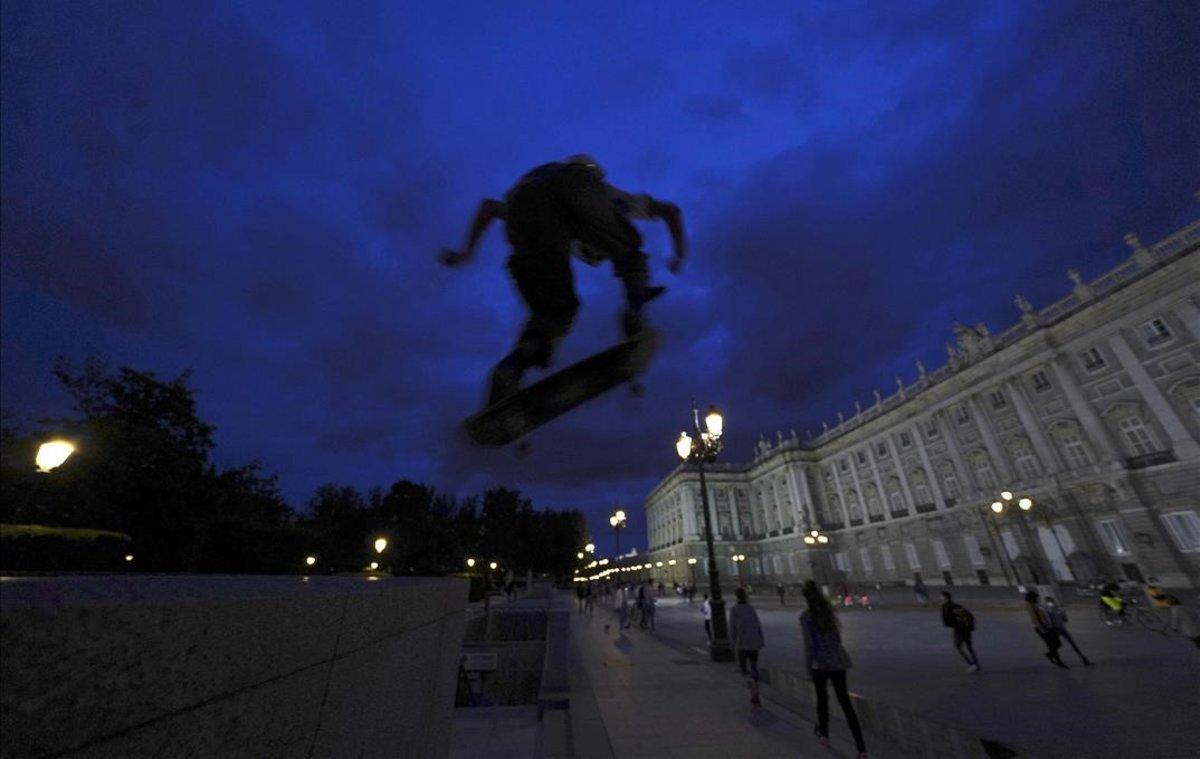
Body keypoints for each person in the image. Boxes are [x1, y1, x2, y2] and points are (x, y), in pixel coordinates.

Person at [440, 155, 686, 407]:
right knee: (629, 251)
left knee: (555, 312)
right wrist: (680, 252)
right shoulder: (602, 192)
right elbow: (671, 211)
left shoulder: (546, 201)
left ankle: (510, 369)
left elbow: (489, 207)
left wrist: (466, 253)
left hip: (521, 204)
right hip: (577, 186)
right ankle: (635, 315)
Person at [800, 580, 867, 758]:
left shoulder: (806, 617)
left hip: (820, 664)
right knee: (845, 703)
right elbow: (837, 638)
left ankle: (825, 736)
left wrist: (808, 669)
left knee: (822, 701)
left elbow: (809, 647)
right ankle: (861, 748)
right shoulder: (829, 612)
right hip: (838, 661)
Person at [729, 588, 765, 706]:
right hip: (754, 643)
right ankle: (757, 691)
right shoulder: (751, 609)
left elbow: (732, 629)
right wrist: (761, 640)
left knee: (744, 670)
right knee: (754, 667)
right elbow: (757, 625)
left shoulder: (734, 610)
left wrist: (732, 644)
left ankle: (752, 692)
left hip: (742, 644)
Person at [1043, 596, 1092, 666]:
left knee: (1055, 645)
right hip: (1062, 628)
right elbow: (1065, 619)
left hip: (1055, 629)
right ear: (1053, 601)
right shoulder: (1059, 609)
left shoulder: (1046, 610)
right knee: (1072, 644)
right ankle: (1083, 659)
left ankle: (1052, 656)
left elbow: (1048, 621)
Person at [1026, 590, 1068, 668]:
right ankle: (1058, 661)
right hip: (1042, 628)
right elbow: (1035, 620)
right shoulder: (1031, 606)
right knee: (1052, 644)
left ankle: (1050, 655)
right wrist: (1043, 630)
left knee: (1057, 643)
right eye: (1036, 597)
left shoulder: (1035, 604)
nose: (1037, 598)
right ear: (1032, 598)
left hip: (1047, 626)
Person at [940, 591, 980, 672]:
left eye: (941, 597)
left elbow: (947, 620)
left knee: (958, 646)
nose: (940, 598)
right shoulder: (957, 606)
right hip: (966, 629)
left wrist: (953, 624)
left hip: (959, 629)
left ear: (945, 598)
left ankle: (972, 664)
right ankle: (975, 664)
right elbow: (970, 615)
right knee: (969, 647)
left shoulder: (946, 606)